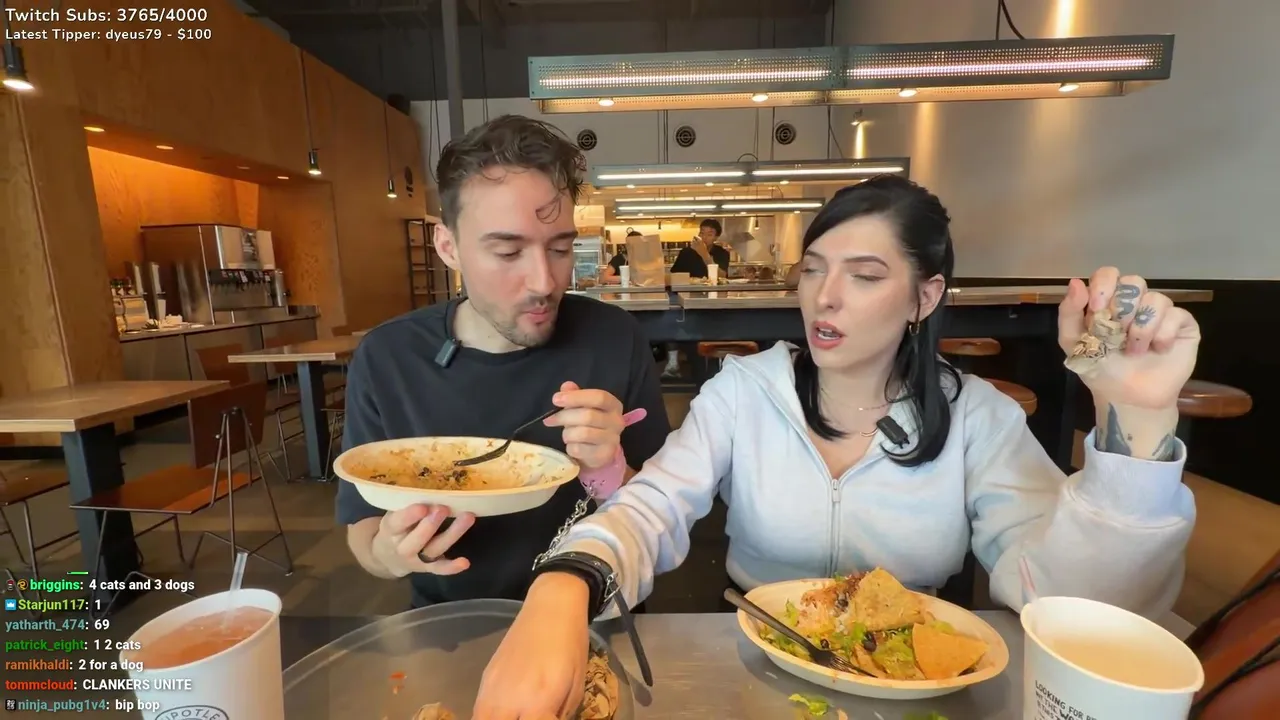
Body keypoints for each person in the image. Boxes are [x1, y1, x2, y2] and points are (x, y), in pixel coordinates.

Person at [473, 175, 1201, 718]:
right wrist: (566, 581)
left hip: (916, 692)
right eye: (815, 268)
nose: (824, 296)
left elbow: (1077, 609)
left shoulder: (977, 417)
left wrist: (1135, 426)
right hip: (754, 674)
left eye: (866, 276)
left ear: (924, 297)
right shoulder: (742, 392)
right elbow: (652, 506)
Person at [335, 114, 670, 609]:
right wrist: (390, 553)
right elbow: (363, 527)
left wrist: (610, 470)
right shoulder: (390, 358)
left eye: (560, 248)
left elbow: (663, 517)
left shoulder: (614, 339)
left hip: (595, 614)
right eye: (509, 252)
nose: (544, 282)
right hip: (453, 622)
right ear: (448, 246)